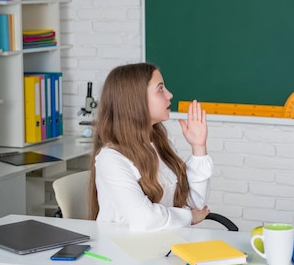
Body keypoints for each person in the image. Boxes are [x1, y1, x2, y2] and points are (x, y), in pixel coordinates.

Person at [88, 62, 212, 231]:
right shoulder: (110, 159)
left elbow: (195, 203)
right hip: (123, 251)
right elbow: (145, 219)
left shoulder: (157, 144)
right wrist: (189, 217)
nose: (169, 95)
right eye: (160, 89)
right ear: (134, 100)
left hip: (162, 244)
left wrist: (199, 148)